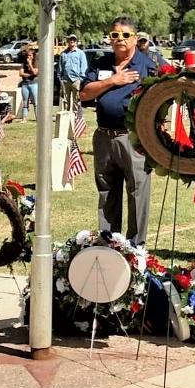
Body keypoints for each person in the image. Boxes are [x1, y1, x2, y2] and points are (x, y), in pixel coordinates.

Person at [80, 14, 154, 249]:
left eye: (125, 35)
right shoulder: (101, 63)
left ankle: (135, 248)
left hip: (132, 137)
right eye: (115, 35)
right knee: (107, 192)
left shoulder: (147, 65)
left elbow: (163, 96)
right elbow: (84, 93)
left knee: (137, 193)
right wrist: (114, 80)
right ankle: (108, 244)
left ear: (134, 38)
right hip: (103, 137)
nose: (119, 39)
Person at [57, 35, 88, 110]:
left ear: (76, 42)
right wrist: (60, 78)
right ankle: (66, 116)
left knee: (76, 100)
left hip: (76, 80)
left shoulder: (80, 53)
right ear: (68, 41)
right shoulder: (63, 54)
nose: (72, 41)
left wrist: (81, 79)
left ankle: (75, 117)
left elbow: (84, 66)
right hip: (65, 80)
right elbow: (60, 67)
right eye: (70, 40)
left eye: (74, 40)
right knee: (65, 100)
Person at [18, 43, 39, 121]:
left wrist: (30, 64)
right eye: (27, 55)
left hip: (34, 84)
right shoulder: (24, 64)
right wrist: (29, 75)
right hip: (25, 84)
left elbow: (35, 72)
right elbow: (20, 73)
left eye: (30, 55)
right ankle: (24, 118)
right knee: (25, 102)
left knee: (35, 102)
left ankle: (38, 118)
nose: (28, 57)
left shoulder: (36, 63)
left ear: (33, 56)